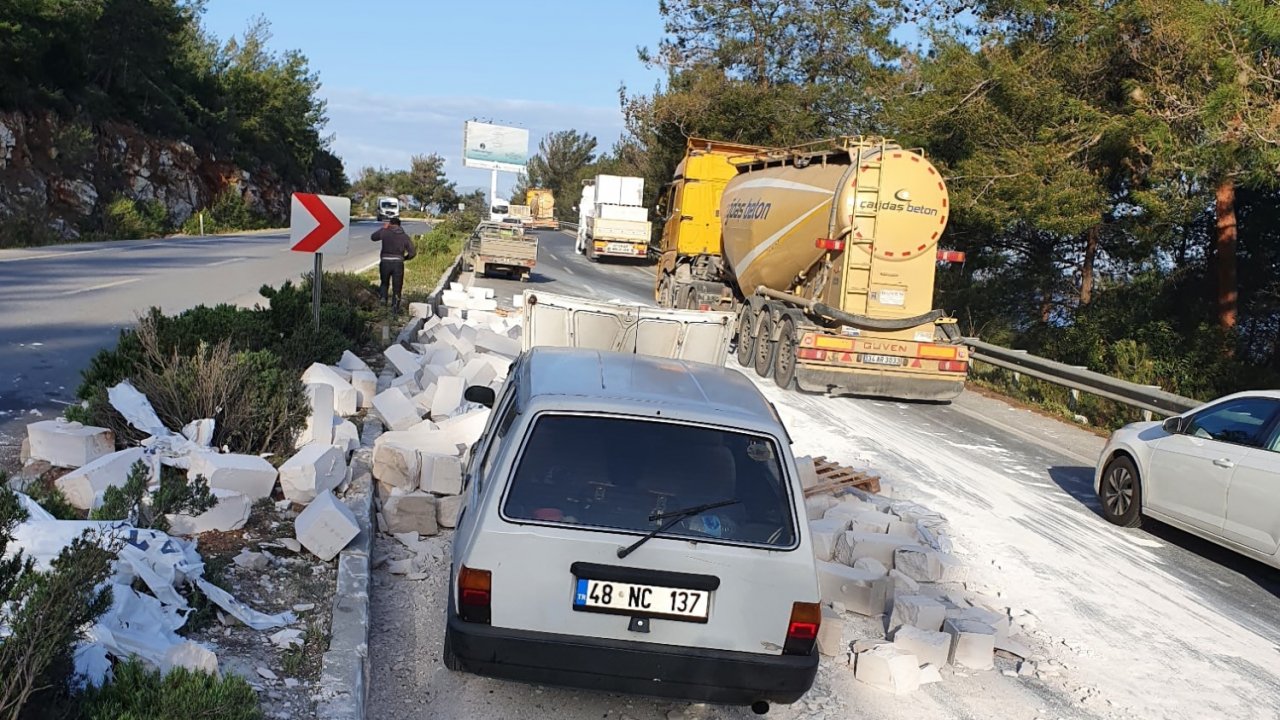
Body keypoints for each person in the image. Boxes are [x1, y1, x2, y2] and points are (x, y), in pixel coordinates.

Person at [370, 217, 416, 313]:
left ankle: (383, 300)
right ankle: (395, 308)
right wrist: (405, 258)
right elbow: (412, 253)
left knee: (384, 283)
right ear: (399, 225)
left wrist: (383, 228)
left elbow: (373, 237)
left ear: (390, 224)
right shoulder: (404, 236)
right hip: (398, 263)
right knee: (397, 287)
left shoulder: (385, 232)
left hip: (385, 262)